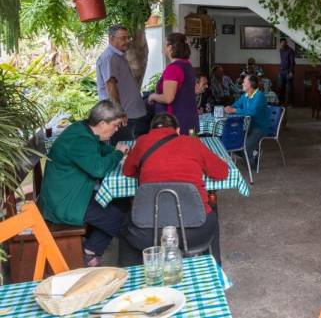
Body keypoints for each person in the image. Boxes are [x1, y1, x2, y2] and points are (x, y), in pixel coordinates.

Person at [121, 113, 228, 265]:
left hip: (148, 233)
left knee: (125, 222)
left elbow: (127, 171)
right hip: (195, 232)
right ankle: (216, 268)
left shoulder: (142, 142)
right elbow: (221, 172)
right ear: (177, 130)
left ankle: (130, 277)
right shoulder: (192, 143)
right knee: (213, 213)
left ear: (151, 130)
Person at [38, 100, 130, 267]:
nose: (117, 130)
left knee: (121, 203)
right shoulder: (80, 140)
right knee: (119, 221)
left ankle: (90, 249)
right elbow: (98, 169)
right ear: (102, 123)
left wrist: (116, 152)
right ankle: (91, 251)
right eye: (115, 125)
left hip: (75, 194)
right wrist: (117, 154)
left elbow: (100, 150)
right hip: (65, 202)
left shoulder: (85, 130)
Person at [95, 24, 148, 143]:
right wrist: (118, 113)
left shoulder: (118, 56)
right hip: (125, 117)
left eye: (127, 38)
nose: (127, 41)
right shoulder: (109, 57)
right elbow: (110, 85)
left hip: (132, 115)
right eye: (123, 38)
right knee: (125, 153)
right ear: (111, 39)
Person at [148, 33, 199, 135]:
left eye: (165, 44)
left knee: (176, 149)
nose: (163, 47)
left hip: (176, 122)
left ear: (170, 47)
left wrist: (152, 96)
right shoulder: (187, 65)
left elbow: (168, 98)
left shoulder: (173, 68)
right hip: (190, 120)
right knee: (191, 148)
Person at [224, 75, 271, 169]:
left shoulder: (259, 96)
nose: (242, 83)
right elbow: (235, 105)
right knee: (231, 141)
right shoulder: (245, 96)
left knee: (245, 145)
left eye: (244, 82)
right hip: (247, 126)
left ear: (250, 84)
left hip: (260, 127)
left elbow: (252, 111)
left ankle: (252, 164)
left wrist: (234, 111)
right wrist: (229, 108)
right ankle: (252, 153)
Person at [278, 38, 295, 106]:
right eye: (282, 42)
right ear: (280, 43)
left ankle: (289, 103)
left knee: (289, 89)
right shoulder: (280, 50)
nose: (283, 44)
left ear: (286, 43)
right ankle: (281, 103)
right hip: (282, 71)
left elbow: (292, 63)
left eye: (284, 42)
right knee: (281, 87)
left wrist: (291, 72)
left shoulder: (290, 50)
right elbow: (283, 61)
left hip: (288, 71)